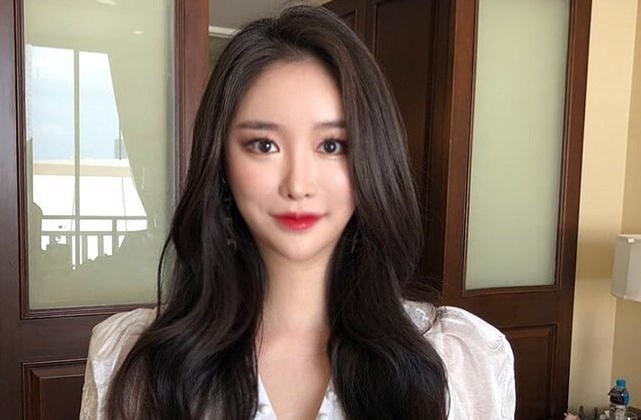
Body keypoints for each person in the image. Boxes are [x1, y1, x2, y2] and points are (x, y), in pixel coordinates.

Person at [80, 5, 515, 420]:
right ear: (222, 162)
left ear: (372, 157)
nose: (298, 184)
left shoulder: (461, 356)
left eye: (332, 145)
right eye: (264, 145)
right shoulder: (128, 358)